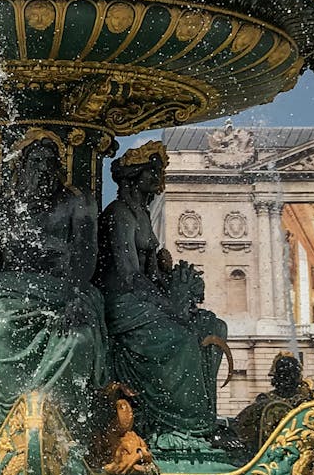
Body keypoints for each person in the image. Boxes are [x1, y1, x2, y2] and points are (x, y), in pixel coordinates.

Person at [0, 137, 107, 450]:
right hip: (11, 289)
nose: (43, 170)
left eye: (49, 163)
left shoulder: (77, 201)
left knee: (80, 337)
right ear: (22, 168)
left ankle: (67, 429)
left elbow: (87, 254)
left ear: (59, 170)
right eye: (35, 162)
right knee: (2, 326)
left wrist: (75, 296)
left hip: (63, 290)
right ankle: (9, 419)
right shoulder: (4, 205)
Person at [95, 141, 225, 446]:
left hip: (143, 300)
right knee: (181, 340)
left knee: (212, 327)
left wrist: (177, 286)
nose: (159, 179)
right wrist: (169, 305)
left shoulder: (142, 215)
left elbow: (148, 275)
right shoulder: (120, 214)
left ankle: (204, 417)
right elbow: (128, 275)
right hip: (121, 304)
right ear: (133, 177)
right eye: (152, 172)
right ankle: (178, 424)